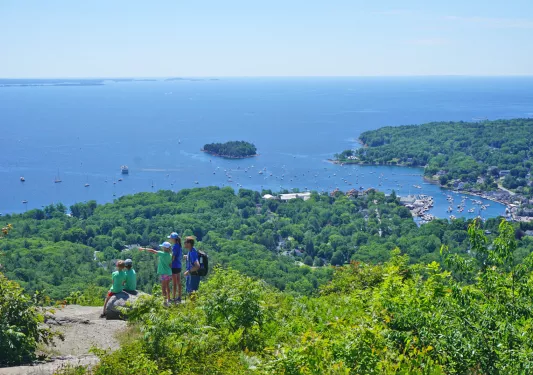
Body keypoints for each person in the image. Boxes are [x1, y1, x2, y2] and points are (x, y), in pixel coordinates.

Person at [168, 232, 182, 303]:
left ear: (173, 239)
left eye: (170, 238)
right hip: (179, 266)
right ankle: (179, 297)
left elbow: (173, 257)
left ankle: (173, 298)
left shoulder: (175, 247)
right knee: (179, 282)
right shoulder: (179, 246)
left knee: (174, 283)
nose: (170, 239)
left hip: (174, 266)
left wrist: (169, 264)